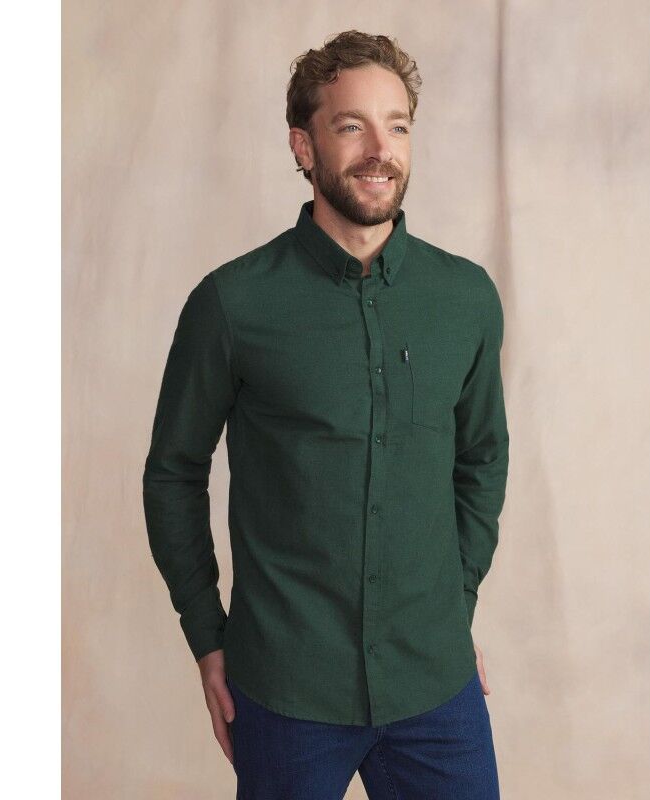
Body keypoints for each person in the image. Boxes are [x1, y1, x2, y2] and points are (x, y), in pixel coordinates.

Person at [142, 29, 509, 799]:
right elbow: (174, 472)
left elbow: (481, 460)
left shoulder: (465, 298)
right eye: (352, 126)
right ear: (303, 147)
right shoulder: (233, 304)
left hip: (434, 688)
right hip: (285, 694)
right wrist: (207, 637)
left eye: (397, 126)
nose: (381, 150)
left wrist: (455, 606)